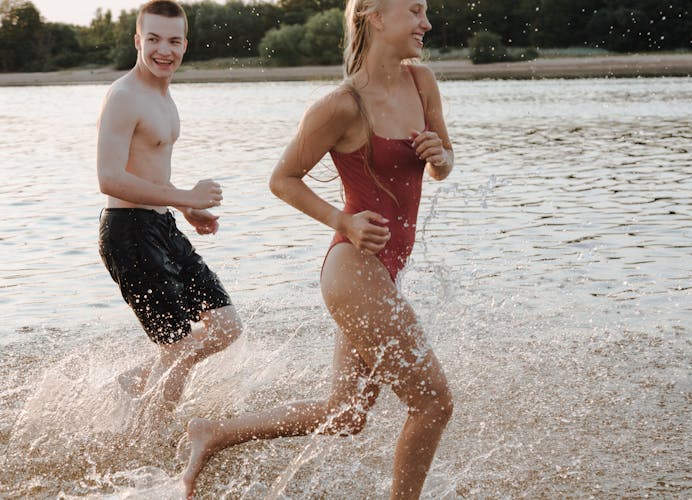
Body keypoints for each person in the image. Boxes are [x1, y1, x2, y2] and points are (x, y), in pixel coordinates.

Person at [182, 0, 453, 497]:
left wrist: (440, 156)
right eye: (415, 10)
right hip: (352, 272)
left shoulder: (423, 82)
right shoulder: (342, 104)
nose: (426, 23)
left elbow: (443, 164)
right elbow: (282, 179)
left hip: (384, 274)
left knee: (345, 413)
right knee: (433, 402)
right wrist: (342, 220)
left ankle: (214, 433)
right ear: (376, 15)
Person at [97, 0, 241, 419]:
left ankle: (135, 382)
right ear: (137, 40)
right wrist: (187, 197)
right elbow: (109, 178)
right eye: (154, 39)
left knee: (226, 326)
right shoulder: (124, 96)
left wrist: (185, 208)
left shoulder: (163, 94)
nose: (165, 49)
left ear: (185, 45)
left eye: (174, 40)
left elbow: (149, 171)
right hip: (128, 231)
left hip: (160, 225)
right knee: (176, 345)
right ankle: (153, 441)